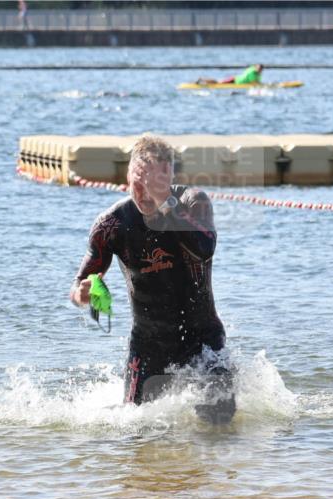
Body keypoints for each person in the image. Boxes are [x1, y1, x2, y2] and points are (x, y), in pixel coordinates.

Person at [69, 134, 235, 422]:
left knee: (221, 419)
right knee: (135, 426)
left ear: (168, 177)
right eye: (137, 185)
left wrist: (165, 202)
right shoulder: (112, 225)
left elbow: (203, 250)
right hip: (148, 344)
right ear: (127, 177)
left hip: (203, 338)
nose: (144, 195)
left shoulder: (193, 203)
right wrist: (82, 294)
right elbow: (79, 284)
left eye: (152, 186)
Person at [197, 64, 264, 86]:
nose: (260, 71)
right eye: (259, 69)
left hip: (236, 80)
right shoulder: (253, 73)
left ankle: (203, 81)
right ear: (256, 68)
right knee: (217, 83)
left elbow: (256, 82)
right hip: (234, 80)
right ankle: (202, 80)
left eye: (260, 70)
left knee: (218, 82)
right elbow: (254, 83)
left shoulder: (253, 69)